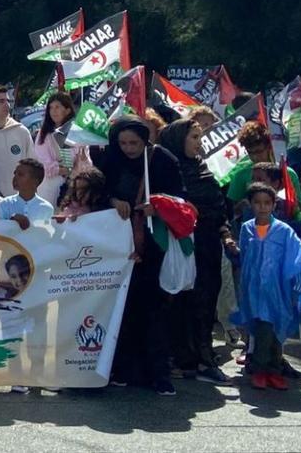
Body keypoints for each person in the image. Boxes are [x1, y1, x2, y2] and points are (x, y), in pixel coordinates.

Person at [100, 116, 184, 396]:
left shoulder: (162, 160)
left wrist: (158, 208)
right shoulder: (111, 159)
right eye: (123, 143)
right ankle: (123, 369)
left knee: (154, 311)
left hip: (154, 246)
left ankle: (158, 374)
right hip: (118, 247)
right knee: (123, 310)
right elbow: (96, 193)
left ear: (145, 139)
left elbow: (181, 201)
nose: (128, 149)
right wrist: (113, 201)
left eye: (134, 143)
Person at [158, 119, 234, 385]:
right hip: (179, 246)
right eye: (193, 137)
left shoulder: (203, 168)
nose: (199, 143)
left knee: (205, 302)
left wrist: (225, 234)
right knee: (179, 301)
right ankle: (180, 357)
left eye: (200, 137)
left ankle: (204, 357)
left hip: (208, 246)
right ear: (178, 139)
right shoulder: (166, 170)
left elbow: (218, 205)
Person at [233, 183, 301, 391]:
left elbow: (300, 255)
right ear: (250, 204)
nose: (262, 207)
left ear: (273, 205)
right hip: (254, 289)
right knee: (261, 328)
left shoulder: (283, 230)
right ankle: (261, 370)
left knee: (276, 330)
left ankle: (274, 369)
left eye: (267, 203)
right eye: (258, 203)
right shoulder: (246, 228)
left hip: (278, 289)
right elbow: (244, 257)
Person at [225, 121, 301, 207]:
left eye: (259, 151)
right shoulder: (240, 175)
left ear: (269, 146)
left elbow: (300, 207)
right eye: (250, 152)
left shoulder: (288, 173)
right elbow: (235, 210)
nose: (255, 157)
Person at [34, 92, 90, 206]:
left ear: (68, 110)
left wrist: (77, 167)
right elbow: (42, 161)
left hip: (74, 185)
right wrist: (61, 169)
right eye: (51, 108)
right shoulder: (44, 134)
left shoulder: (78, 133)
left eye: (57, 107)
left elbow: (85, 163)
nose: (53, 111)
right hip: (50, 186)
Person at [0, 159, 54, 231]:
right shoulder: (5, 204)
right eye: (15, 174)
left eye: (20, 175)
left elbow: (45, 236)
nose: (15, 178)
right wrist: (11, 220)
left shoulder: (46, 208)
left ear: (35, 182)